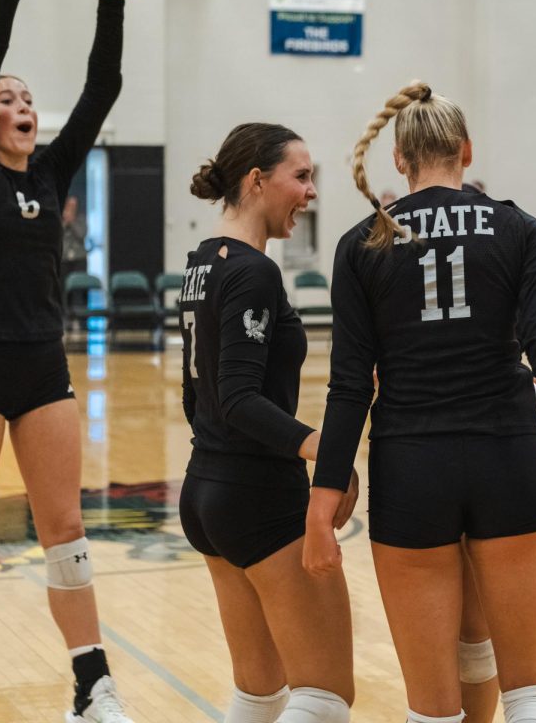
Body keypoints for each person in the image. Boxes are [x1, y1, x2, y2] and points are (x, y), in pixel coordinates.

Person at [301, 82, 536, 723]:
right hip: (508, 459)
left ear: (398, 159)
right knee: (529, 697)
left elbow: (349, 387)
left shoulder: (362, 243)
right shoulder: (518, 228)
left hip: (411, 468)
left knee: (433, 709)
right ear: (466, 151)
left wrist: (321, 500)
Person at [0, 0, 160, 721]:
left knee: (67, 530)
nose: (18, 105)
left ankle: (92, 685)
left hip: (40, 369)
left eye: (26, 99)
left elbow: (102, 90)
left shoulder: (54, 169)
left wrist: (110, 3)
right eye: (6, 99)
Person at [179, 123, 356, 723]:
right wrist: (323, 450)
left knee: (260, 695)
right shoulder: (254, 271)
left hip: (206, 491)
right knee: (324, 699)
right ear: (257, 180)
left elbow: (195, 395)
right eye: (300, 176)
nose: (309, 192)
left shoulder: (202, 262)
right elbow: (236, 397)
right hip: (257, 494)